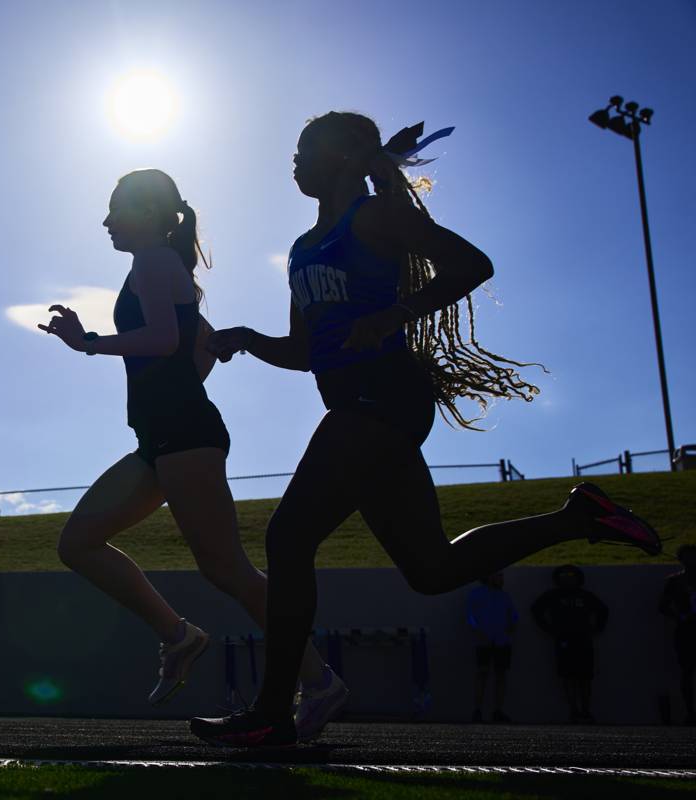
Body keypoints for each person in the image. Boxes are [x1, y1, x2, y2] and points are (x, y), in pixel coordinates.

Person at [190, 112, 661, 747]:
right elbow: (306, 352)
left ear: (343, 156)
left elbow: (472, 264)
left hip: (382, 396)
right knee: (431, 569)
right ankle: (578, 517)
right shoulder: (303, 250)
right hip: (358, 403)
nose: (293, 163)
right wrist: (247, 339)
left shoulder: (374, 218)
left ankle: (276, 709)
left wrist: (394, 315)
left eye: (303, 150)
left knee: (288, 536)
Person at [41, 169, 342, 731]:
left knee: (228, 569)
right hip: (163, 438)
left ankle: (318, 681)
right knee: (78, 542)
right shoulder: (157, 266)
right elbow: (202, 347)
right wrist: (174, 387)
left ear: (153, 214)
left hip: (184, 437)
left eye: (117, 210)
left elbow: (166, 340)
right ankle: (180, 636)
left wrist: (87, 344)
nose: (105, 222)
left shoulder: (154, 263)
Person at [532, 565, 608, 722]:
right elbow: (536, 609)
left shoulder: (585, 596)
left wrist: (596, 629)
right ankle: (574, 711)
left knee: (585, 677)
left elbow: (603, 610)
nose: (567, 579)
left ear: (577, 578)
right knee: (567, 676)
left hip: (583, 639)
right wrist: (550, 629)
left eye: (571, 576)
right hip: (564, 640)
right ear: (558, 579)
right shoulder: (553, 596)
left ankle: (586, 710)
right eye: (564, 576)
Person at [466, 571, 517, 722]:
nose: (501, 579)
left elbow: (513, 616)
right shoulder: (476, 594)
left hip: (501, 641)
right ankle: (478, 710)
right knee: (483, 673)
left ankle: (498, 710)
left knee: (500, 675)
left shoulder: (504, 596)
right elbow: (470, 616)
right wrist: (480, 632)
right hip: (485, 641)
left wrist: (508, 630)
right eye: (498, 575)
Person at [660, 545, 696, 724]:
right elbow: (663, 606)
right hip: (686, 631)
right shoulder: (674, 582)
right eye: (687, 557)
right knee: (687, 671)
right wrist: (680, 617)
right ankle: (690, 712)